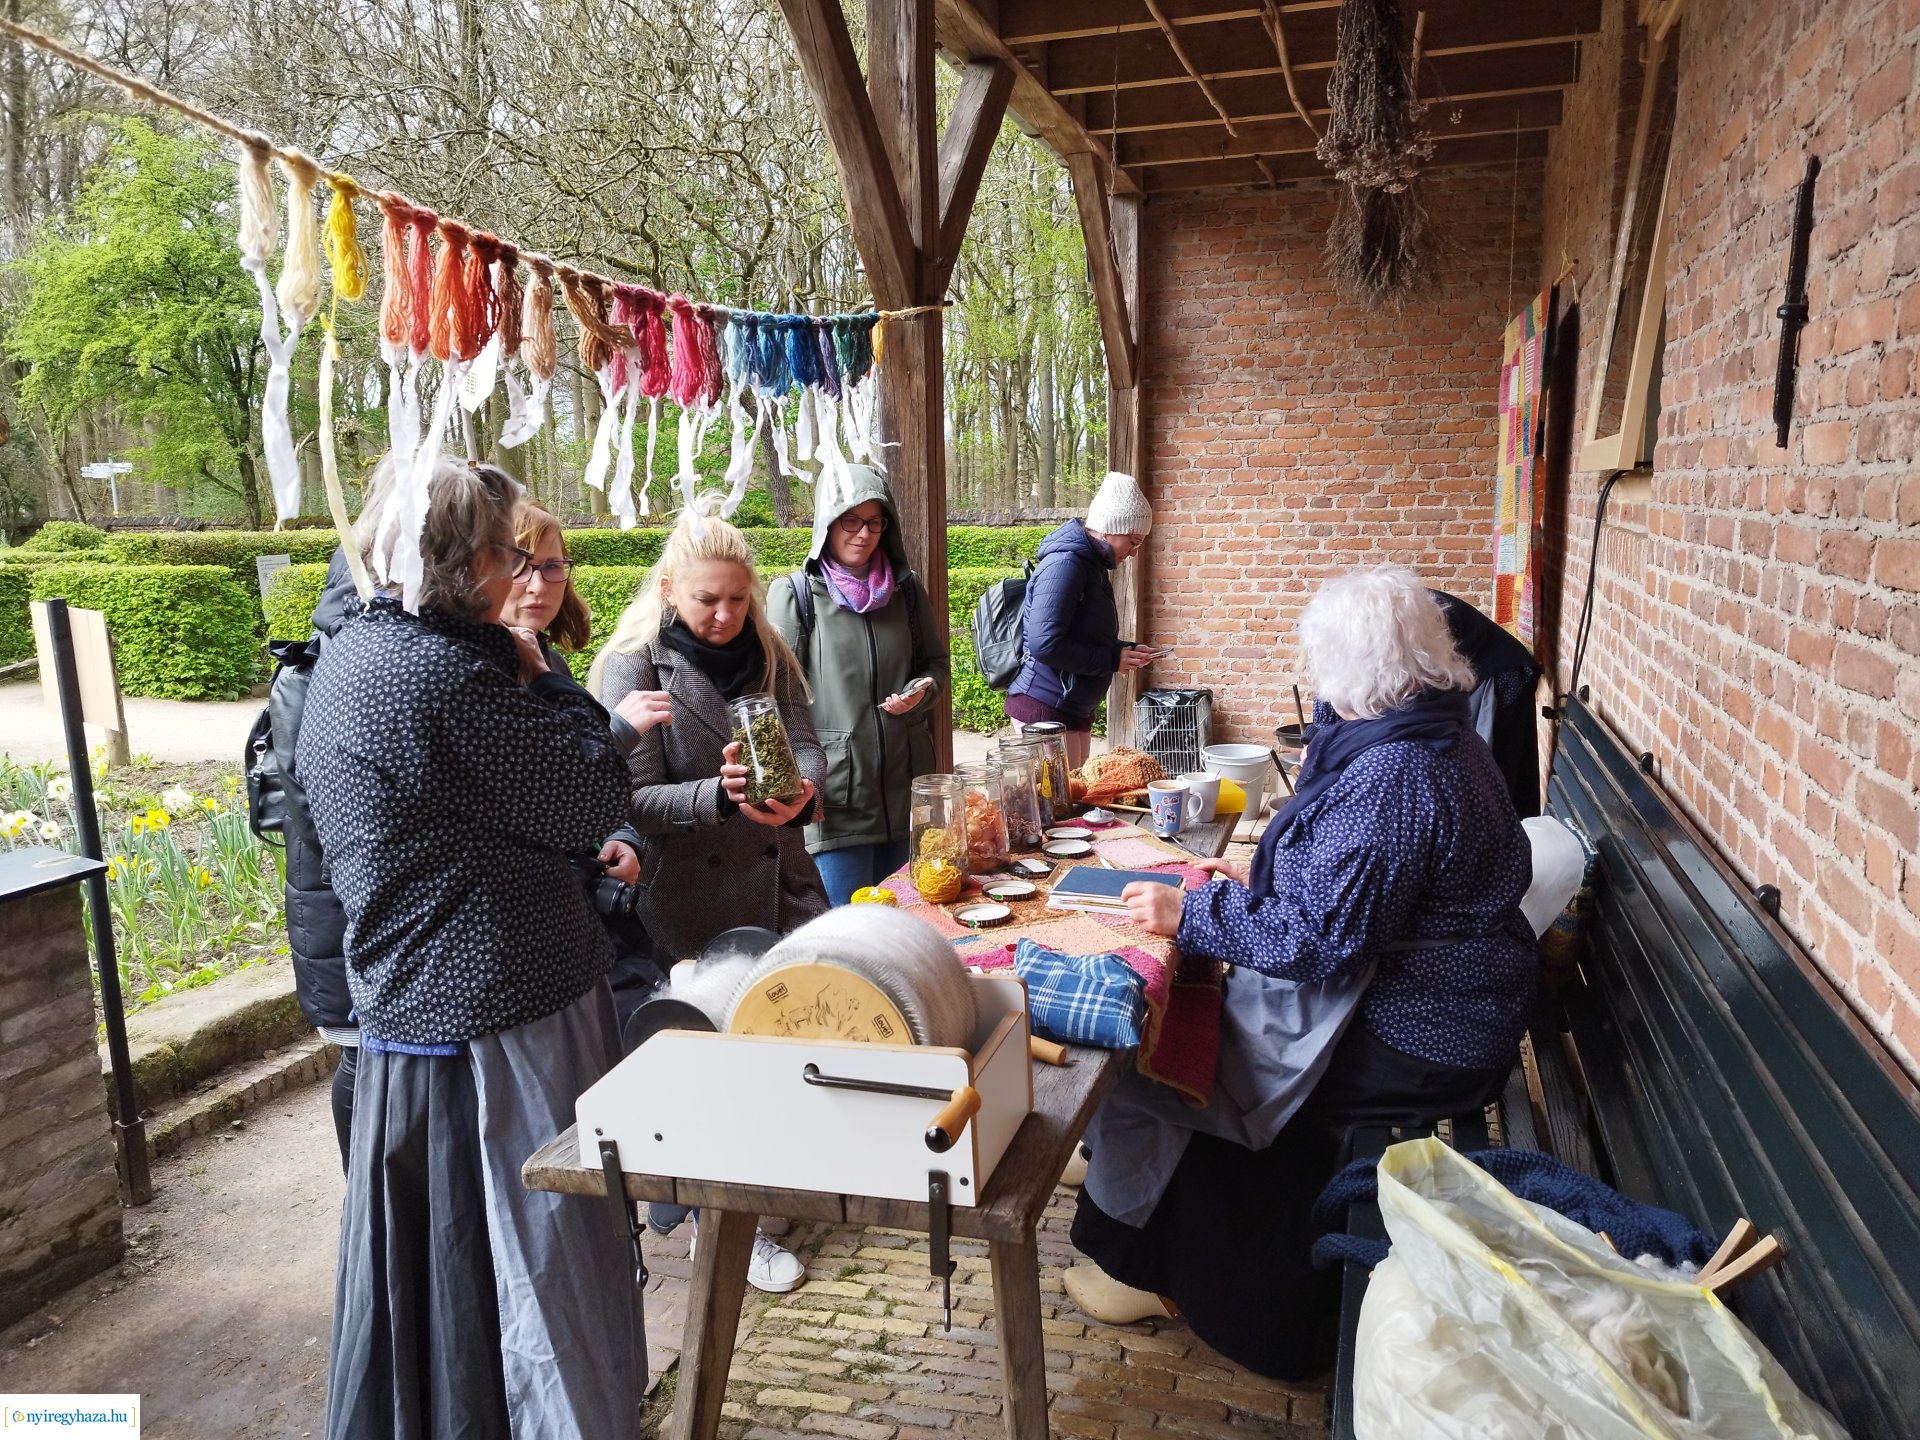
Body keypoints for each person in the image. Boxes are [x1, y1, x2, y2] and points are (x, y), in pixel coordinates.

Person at [1066, 565, 1538, 1380]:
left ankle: (1206, 1295)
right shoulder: (1437, 732)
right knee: (1195, 1037)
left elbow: (1317, 942)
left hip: (1428, 1036)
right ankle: (1133, 1210)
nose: (1316, 683)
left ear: (1359, 671)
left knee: (1207, 1071)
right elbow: (1354, 890)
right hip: (1456, 1002)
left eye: (1322, 664)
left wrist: (1190, 915)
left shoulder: (1399, 773)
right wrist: (1255, 884)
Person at [300, 457, 667, 1440]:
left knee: (460, 1311)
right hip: (487, 1039)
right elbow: (592, 796)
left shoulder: (365, 650)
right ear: (462, 559)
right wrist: (547, 674)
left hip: (445, 1022)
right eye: (511, 553)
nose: (525, 573)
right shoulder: (439, 678)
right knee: (527, 1290)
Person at [590, 503, 828, 1295]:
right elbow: (630, 799)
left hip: (781, 877)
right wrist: (719, 798)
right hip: (689, 899)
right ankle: (727, 1231)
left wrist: (803, 796)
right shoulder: (633, 665)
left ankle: (747, 1191)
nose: (725, 615)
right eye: (707, 601)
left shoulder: (769, 649)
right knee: (714, 1058)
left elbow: (808, 745)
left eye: (736, 598)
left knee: (787, 1038)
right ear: (669, 590)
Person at [499, 503, 670, 1022]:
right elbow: (539, 792)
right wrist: (618, 730)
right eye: (520, 565)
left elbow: (593, 790)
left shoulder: (546, 658)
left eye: (552, 567)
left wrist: (624, 837)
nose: (538, 585)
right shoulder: (480, 678)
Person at [767, 465, 950, 906]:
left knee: (911, 928)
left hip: (908, 795)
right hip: (837, 804)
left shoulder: (906, 593)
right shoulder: (795, 596)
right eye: (851, 520)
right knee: (848, 937)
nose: (863, 534)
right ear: (827, 523)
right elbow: (775, 697)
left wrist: (923, 691)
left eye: (875, 521)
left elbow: (936, 664)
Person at [1005, 470, 1157, 768]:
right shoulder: (1066, 564)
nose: (1135, 552)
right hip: (1044, 705)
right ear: (1111, 528)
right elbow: (1045, 644)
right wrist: (1112, 659)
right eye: (1134, 541)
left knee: (1073, 802)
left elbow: (1081, 634)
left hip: (1069, 706)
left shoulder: (1090, 565)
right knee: (1054, 808)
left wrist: (1124, 651)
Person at [1431, 590, 1542, 817]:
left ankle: (1507, 828)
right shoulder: (1385, 605)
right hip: (1489, 665)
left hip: (1501, 671)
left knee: (1497, 766)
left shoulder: (1389, 611)